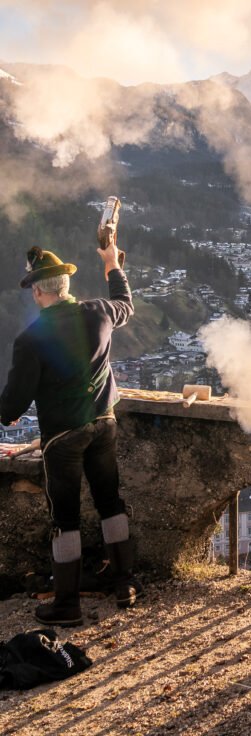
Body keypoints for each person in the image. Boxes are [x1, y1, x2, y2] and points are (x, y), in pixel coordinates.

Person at [0, 243, 137, 626]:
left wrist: (6, 414)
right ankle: (125, 583)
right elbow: (125, 302)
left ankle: (66, 604)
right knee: (110, 500)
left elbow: (12, 404)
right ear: (64, 285)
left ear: (38, 290)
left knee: (66, 518)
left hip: (63, 437)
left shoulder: (31, 339)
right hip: (104, 423)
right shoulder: (99, 312)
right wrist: (112, 264)